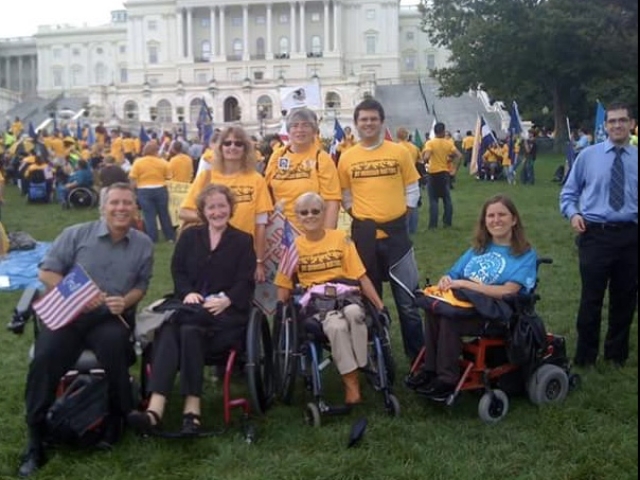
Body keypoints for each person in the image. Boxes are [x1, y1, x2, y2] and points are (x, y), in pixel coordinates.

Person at [18, 183, 154, 477]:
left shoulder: (143, 243)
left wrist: (125, 301)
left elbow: (141, 286)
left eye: (127, 203)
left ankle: (119, 417)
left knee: (115, 348)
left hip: (110, 317)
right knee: (45, 358)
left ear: (135, 208)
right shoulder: (76, 234)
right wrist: (78, 291)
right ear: (102, 207)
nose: (121, 208)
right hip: (71, 312)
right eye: (115, 203)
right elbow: (46, 272)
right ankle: (36, 437)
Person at [127, 184, 255, 435]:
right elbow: (178, 270)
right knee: (177, 328)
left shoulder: (242, 240)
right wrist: (187, 292)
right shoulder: (189, 237)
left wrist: (227, 300)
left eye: (222, 206)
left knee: (179, 328)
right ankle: (170, 411)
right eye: (211, 207)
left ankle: (174, 408)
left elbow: (246, 281)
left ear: (230, 208)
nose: (217, 211)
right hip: (191, 308)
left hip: (225, 316)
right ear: (203, 211)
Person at [410, 194, 537, 398]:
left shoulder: (524, 254)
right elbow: (453, 274)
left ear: (514, 220)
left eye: (502, 215)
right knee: (434, 311)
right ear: (484, 221)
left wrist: (467, 285)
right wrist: (446, 279)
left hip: (497, 313)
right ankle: (430, 370)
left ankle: (447, 379)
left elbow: (508, 291)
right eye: (490, 216)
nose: (496, 220)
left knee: (450, 319)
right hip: (467, 304)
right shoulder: (478, 249)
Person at [274, 192, 385, 405]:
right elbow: (283, 285)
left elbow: (361, 276)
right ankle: (352, 382)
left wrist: (380, 307)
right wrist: (282, 315)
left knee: (353, 313)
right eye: (304, 212)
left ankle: (361, 361)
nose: (310, 216)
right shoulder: (293, 247)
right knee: (335, 326)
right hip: (317, 301)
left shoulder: (340, 238)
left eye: (315, 211)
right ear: (297, 216)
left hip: (346, 293)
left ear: (324, 213)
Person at [338, 98, 423, 361]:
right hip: (365, 238)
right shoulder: (347, 157)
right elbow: (346, 195)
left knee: (408, 302)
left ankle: (418, 356)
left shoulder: (399, 152)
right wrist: (365, 220)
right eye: (363, 119)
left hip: (397, 235)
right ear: (356, 123)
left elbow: (412, 189)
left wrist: (398, 216)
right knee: (369, 302)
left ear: (381, 121)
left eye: (373, 118)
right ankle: (378, 356)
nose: (368, 123)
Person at [559, 101, 638, 368]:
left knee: (625, 299)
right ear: (605, 126)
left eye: (622, 120)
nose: (617, 125)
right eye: (612, 121)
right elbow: (568, 193)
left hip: (631, 236)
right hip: (595, 235)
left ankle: (616, 354)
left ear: (631, 124)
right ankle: (585, 356)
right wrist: (573, 214)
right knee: (591, 299)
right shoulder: (588, 157)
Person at [179, 126, 273, 282]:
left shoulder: (256, 179)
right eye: (227, 143)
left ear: (246, 148)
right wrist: (213, 217)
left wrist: (259, 262)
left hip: (243, 254)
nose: (232, 147)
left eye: (238, 143)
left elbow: (260, 224)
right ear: (220, 147)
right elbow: (184, 212)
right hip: (208, 252)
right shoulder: (207, 177)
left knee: (239, 300)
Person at [264, 107, 341, 230]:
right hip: (280, 233)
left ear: (314, 130)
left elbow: (332, 201)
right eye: (295, 126)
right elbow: (266, 191)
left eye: (306, 125)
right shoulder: (278, 156)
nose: (300, 130)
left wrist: (328, 238)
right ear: (288, 131)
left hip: (312, 231)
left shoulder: (322, 158)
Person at [128, 140, 175, 243]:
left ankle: (152, 238)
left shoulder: (138, 162)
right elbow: (168, 176)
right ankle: (170, 237)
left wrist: (132, 192)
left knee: (149, 215)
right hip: (160, 189)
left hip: (144, 190)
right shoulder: (163, 162)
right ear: (156, 151)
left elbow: (133, 178)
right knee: (164, 214)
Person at [421, 122, 462, 229]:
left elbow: (427, 156)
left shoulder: (430, 143)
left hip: (433, 173)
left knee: (433, 200)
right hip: (444, 173)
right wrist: (455, 171)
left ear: (434, 132)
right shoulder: (448, 143)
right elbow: (459, 155)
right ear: (443, 131)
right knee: (447, 199)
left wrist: (424, 161)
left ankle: (433, 225)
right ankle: (447, 222)